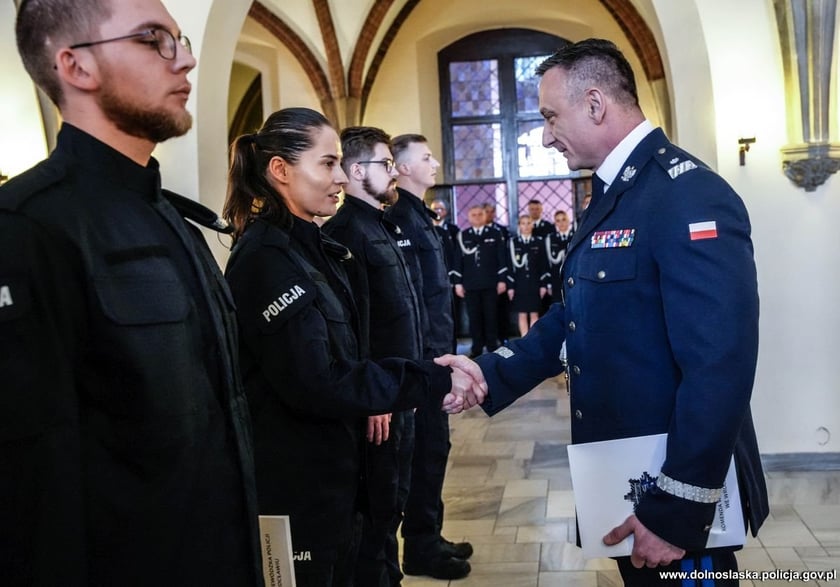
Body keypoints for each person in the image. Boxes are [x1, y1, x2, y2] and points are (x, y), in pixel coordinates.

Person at [438, 39, 768, 586]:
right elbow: (578, 313)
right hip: (627, 476)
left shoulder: (685, 195)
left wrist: (677, 509)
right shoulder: (615, 192)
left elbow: (720, 366)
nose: (544, 135)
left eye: (549, 117)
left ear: (594, 104)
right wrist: (491, 372)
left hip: (667, 491)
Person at [0, 1, 264, 585]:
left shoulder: (171, 218)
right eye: (155, 39)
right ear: (76, 67)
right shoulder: (28, 229)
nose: (188, 59)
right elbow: (30, 494)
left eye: (181, 38)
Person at [222, 108, 485, 587]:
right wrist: (426, 380)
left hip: (338, 474)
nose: (341, 176)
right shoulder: (266, 259)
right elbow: (317, 380)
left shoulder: (307, 246)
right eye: (327, 164)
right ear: (280, 170)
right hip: (301, 483)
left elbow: (354, 345)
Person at [321, 126, 421, 587]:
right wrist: (373, 397)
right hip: (379, 396)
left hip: (399, 389)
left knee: (395, 497)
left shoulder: (381, 222)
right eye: (385, 164)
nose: (394, 171)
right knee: (377, 508)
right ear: (357, 170)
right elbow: (355, 323)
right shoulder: (345, 231)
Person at [387, 134, 473, 580]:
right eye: (425, 157)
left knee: (436, 448)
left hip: (437, 354)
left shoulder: (419, 216)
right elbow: (411, 300)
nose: (435, 162)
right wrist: (429, 362)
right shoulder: (400, 218)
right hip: (424, 359)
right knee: (423, 452)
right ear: (401, 169)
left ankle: (430, 533)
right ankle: (419, 546)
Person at [452, 204, 508, 357]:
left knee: (491, 316)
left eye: (480, 214)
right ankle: (476, 347)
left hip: (491, 283)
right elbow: (457, 260)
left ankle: (492, 345)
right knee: (474, 317)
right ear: (469, 217)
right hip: (470, 284)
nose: (477, 217)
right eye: (474, 214)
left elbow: (502, 258)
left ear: (485, 216)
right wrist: (457, 283)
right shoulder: (463, 235)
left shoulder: (495, 233)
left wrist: (502, 280)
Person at [507, 214, 549, 336]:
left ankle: (532, 339)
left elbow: (544, 264)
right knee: (522, 313)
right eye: (523, 223)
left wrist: (543, 285)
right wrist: (510, 287)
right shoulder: (513, 243)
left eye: (528, 223)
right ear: (519, 225)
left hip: (535, 282)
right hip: (519, 284)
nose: (526, 226)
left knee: (535, 313)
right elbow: (510, 266)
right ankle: (524, 339)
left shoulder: (539, 242)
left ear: (532, 225)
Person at [544, 209, 575, 302]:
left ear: (569, 220)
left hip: (573, 277)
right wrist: (548, 283)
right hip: (556, 279)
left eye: (563, 219)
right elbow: (547, 261)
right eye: (558, 221)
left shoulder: (575, 236)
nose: (561, 223)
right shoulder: (550, 238)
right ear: (555, 223)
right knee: (558, 305)